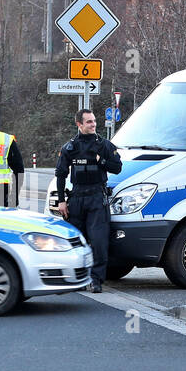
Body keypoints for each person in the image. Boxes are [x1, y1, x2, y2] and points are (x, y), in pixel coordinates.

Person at [55, 108, 122, 293]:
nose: (93, 124)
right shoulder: (70, 147)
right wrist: (61, 201)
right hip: (76, 199)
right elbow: (60, 174)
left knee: (99, 242)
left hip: (96, 198)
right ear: (79, 124)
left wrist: (102, 162)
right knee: (75, 241)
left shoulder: (104, 145)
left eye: (94, 121)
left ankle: (96, 280)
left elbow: (117, 168)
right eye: (89, 122)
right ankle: (76, 278)